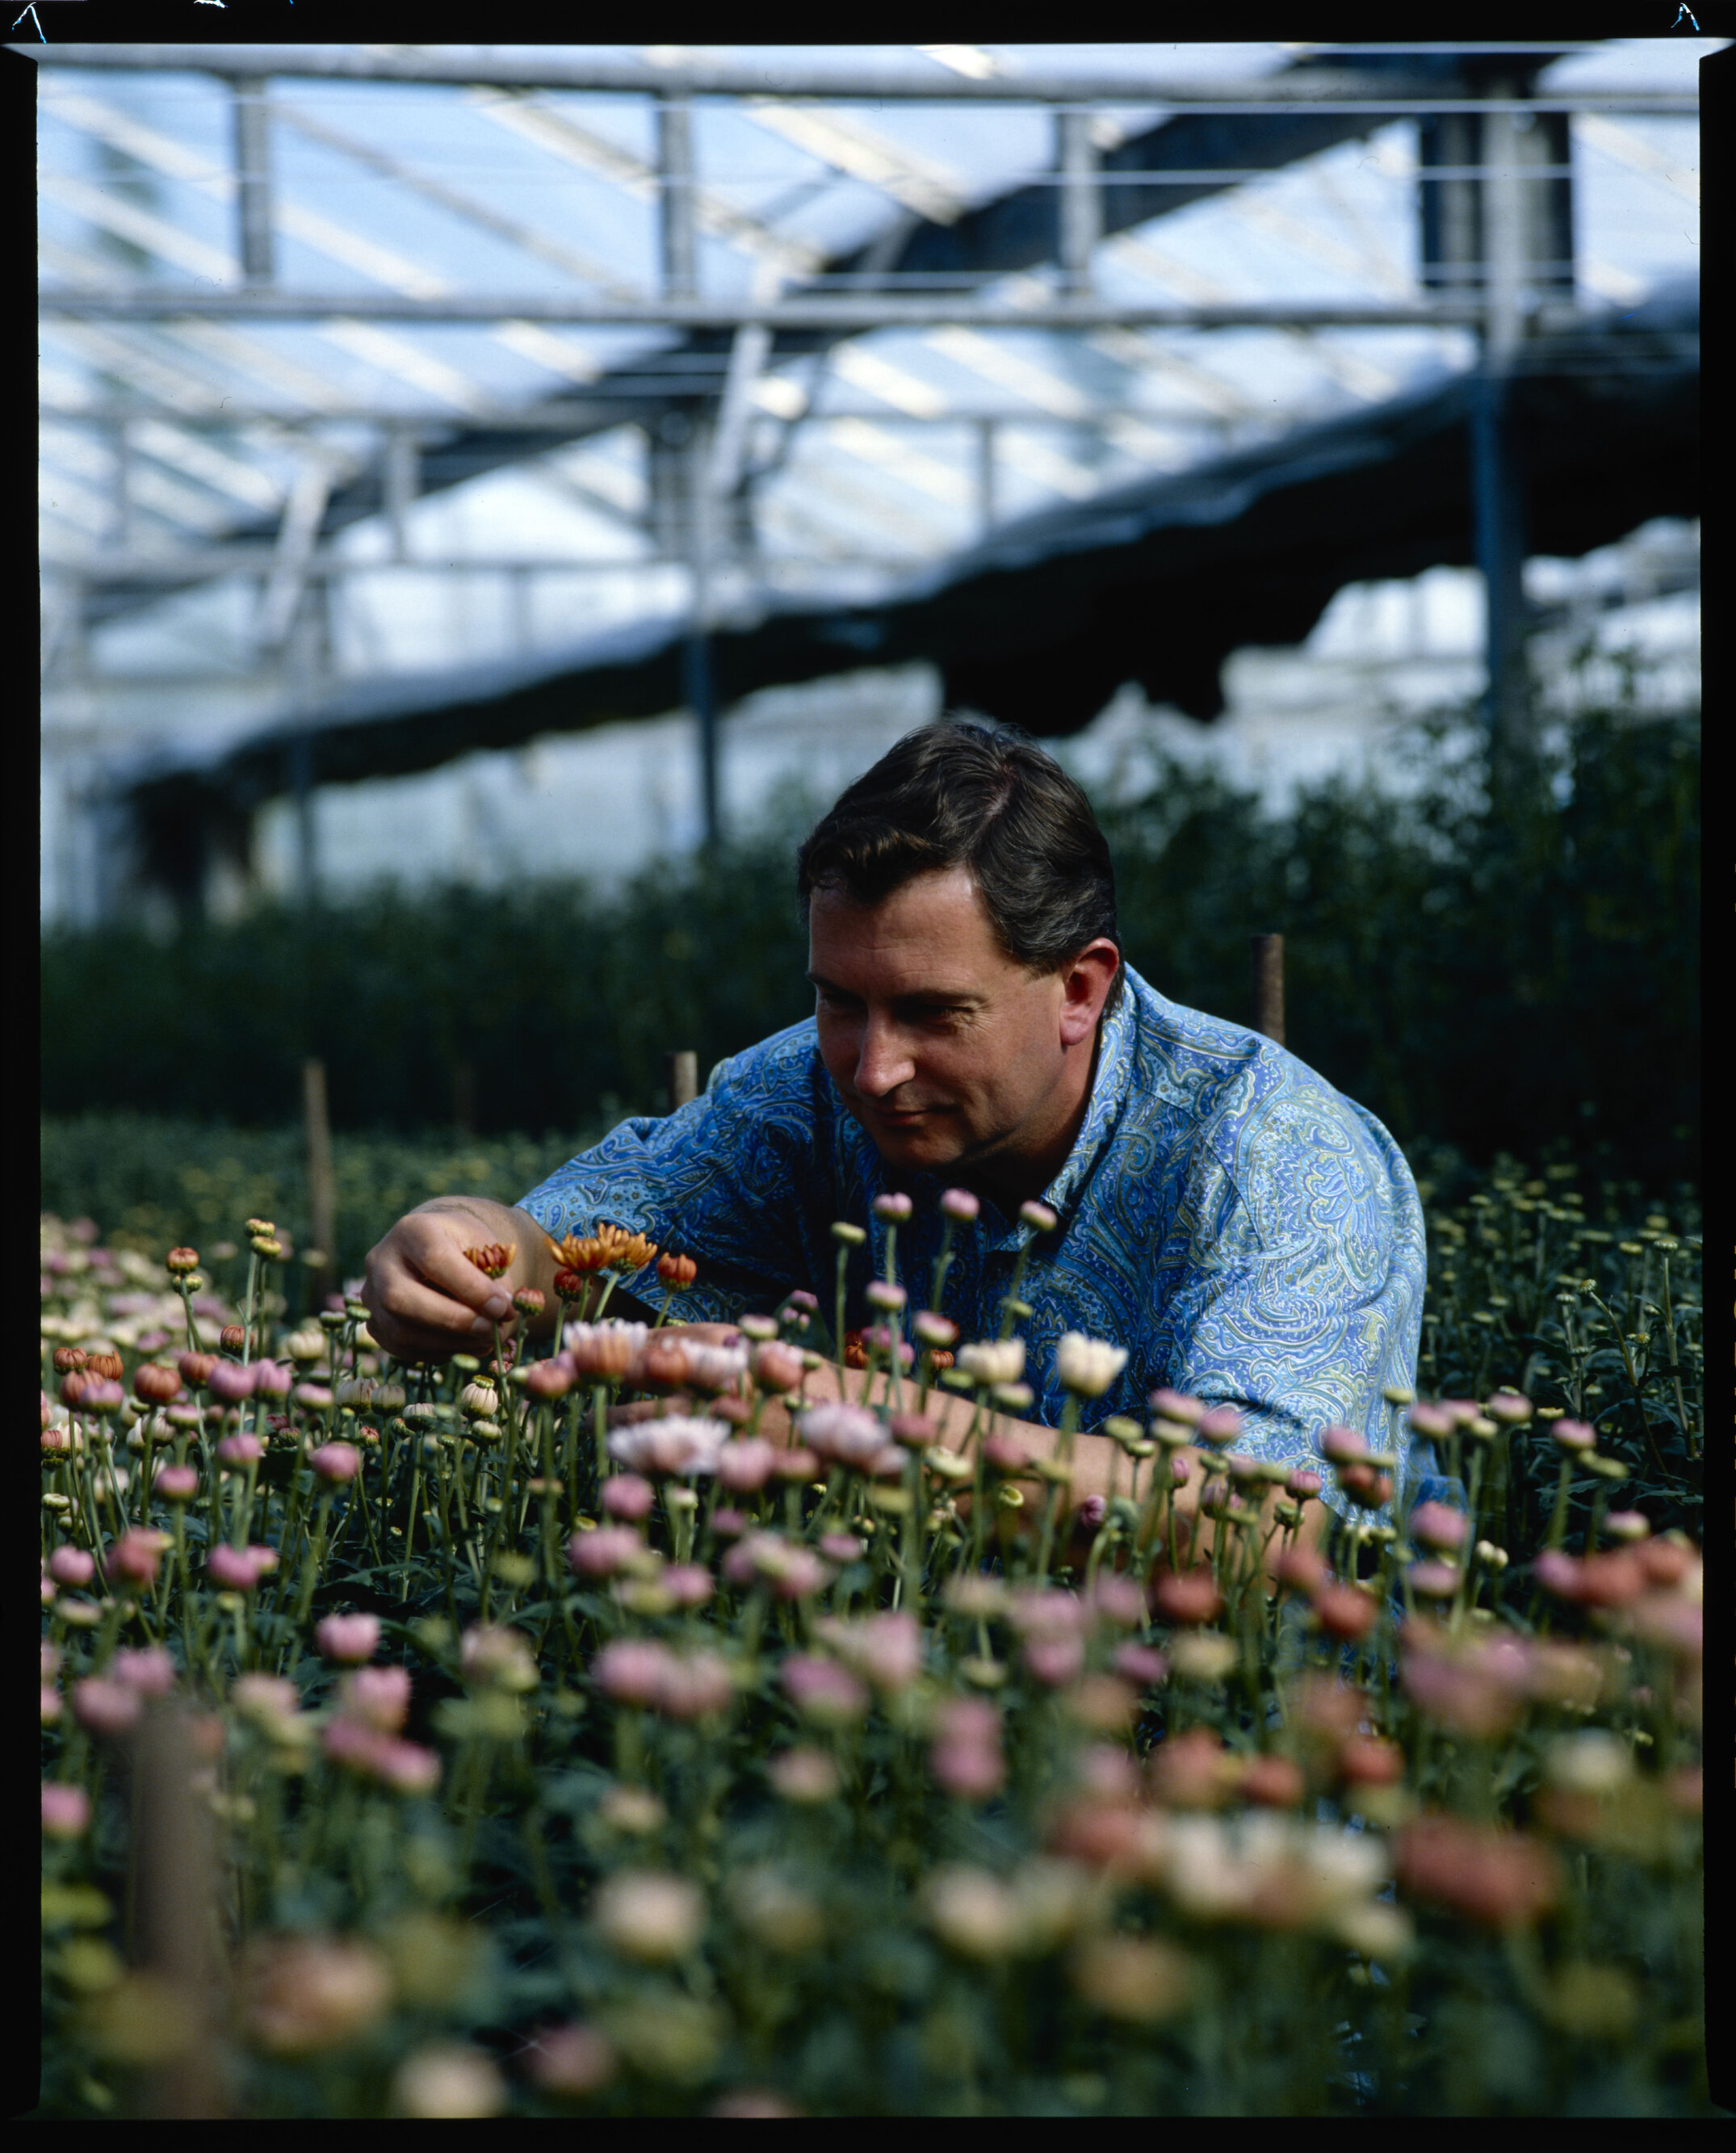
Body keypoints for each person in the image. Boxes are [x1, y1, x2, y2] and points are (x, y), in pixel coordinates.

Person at [363, 716, 1433, 1580]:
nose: (873, 1068)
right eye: (840, 1001)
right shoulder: (805, 1097)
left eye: (931, 1012)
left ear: (1078, 987)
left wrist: (850, 1421)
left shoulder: (1270, 1158)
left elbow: (1261, 1525)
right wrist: (474, 1246)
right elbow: (582, 1244)